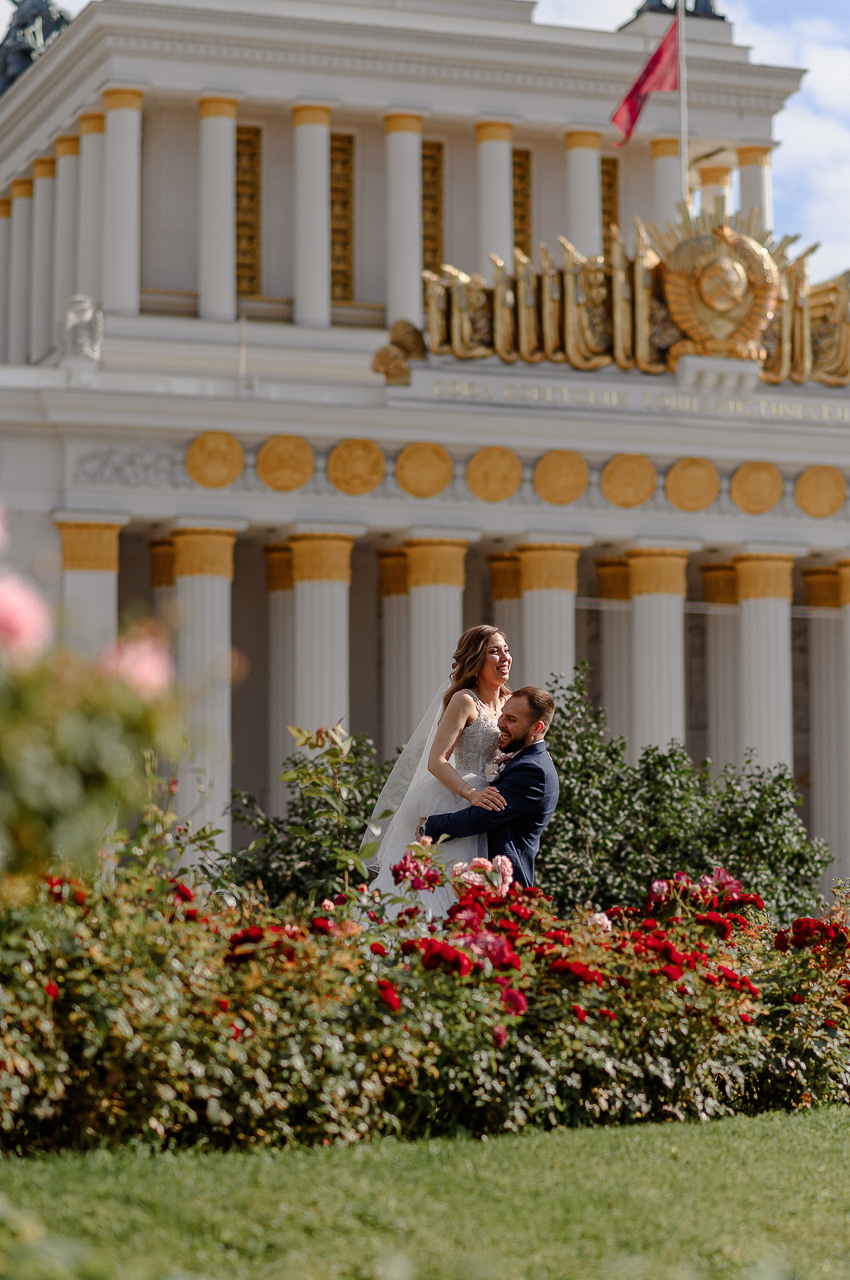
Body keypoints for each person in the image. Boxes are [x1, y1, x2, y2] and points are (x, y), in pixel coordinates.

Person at [367, 624, 513, 917]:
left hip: (494, 804)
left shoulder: (512, 703)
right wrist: (471, 793)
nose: (504, 657)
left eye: (506, 650)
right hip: (458, 798)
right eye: (494, 651)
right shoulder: (464, 701)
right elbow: (437, 761)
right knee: (442, 887)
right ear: (476, 659)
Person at [418, 686, 559, 890]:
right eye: (502, 715)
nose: (500, 723)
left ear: (537, 728)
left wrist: (429, 827)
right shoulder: (524, 760)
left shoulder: (533, 770)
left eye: (511, 719)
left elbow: (483, 815)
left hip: (505, 886)